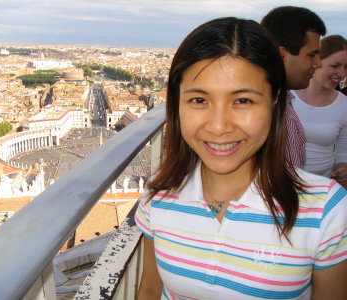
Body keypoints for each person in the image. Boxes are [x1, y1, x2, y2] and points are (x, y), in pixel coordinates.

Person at [135, 17, 347, 300]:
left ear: (274, 100)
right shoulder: (158, 192)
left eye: (243, 100)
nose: (219, 126)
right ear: (177, 103)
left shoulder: (326, 211)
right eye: (199, 100)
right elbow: (150, 290)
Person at [261, 6, 326, 168]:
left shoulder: (283, 102)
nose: (318, 63)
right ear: (282, 54)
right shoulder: (267, 111)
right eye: (312, 54)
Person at [291, 35, 347, 187]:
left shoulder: (344, 105)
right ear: (317, 62)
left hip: (322, 189)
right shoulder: (287, 96)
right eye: (335, 66)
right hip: (284, 185)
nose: (341, 74)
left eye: (346, 67)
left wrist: (342, 170)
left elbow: (343, 153)